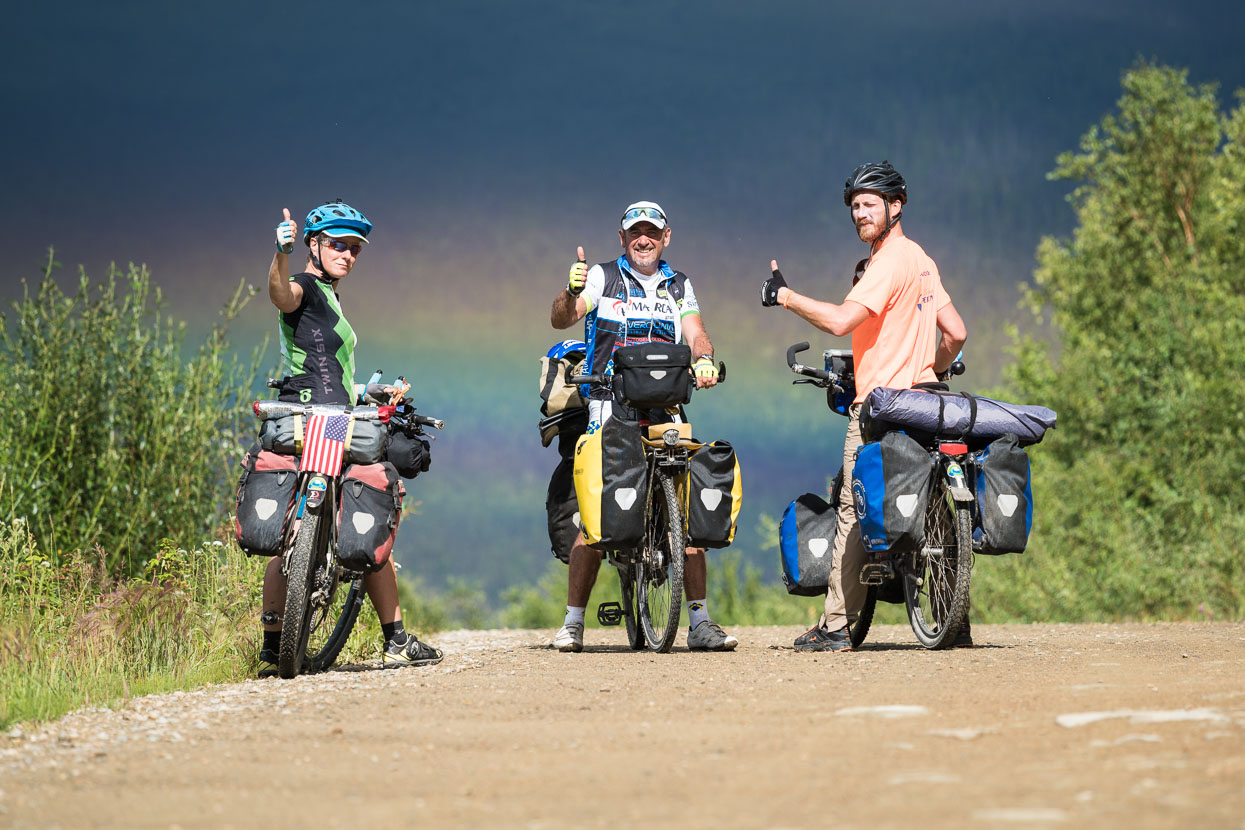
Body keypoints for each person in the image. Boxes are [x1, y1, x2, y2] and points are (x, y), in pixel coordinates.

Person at [761, 161, 969, 652]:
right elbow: (956, 333)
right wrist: (935, 370)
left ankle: (836, 627)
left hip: (882, 405)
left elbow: (839, 322)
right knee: (931, 499)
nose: (860, 213)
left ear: (895, 207)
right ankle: (954, 620)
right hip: (928, 400)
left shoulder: (889, 260)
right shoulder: (922, 260)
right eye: (854, 205)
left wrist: (785, 296)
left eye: (870, 203)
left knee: (855, 504)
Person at [257, 201, 442, 676]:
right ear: (313, 246)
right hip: (329, 422)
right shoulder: (306, 287)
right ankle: (395, 639)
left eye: (355, 247)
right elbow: (281, 295)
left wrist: (368, 390)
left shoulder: (329, 297)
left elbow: (326, 369)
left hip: (305, 414)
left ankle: (271, 647)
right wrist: (280, 253)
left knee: (288, 537)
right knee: (369, 510)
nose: (349, 253)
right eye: (338, 244)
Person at [549, 201, 738, 652]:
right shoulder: (601, 276)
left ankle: (699, 623)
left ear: (665, 237)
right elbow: (562, 317)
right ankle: (573, 622)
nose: (644, 239)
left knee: (688, 508)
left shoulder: (678, 284)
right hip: (609, 407)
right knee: (598, 512)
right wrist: (569, 289)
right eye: (635, 231)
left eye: (652, 231)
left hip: (667, 407)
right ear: (622, 238)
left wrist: (705, 358)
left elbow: (695, 331)